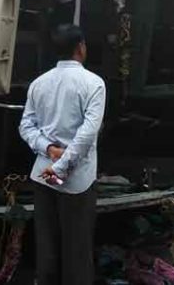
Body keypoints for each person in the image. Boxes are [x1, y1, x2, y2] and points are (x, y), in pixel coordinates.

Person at [18, 24, 106, 285]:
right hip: (75, 181)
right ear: (81, 48)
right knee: (77, 249)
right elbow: (87, 135)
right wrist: (61, 165)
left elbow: (25, 126)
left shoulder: (39, 83)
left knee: (47, 244)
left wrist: (48, 149)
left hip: (43, 177)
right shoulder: (94, 84)